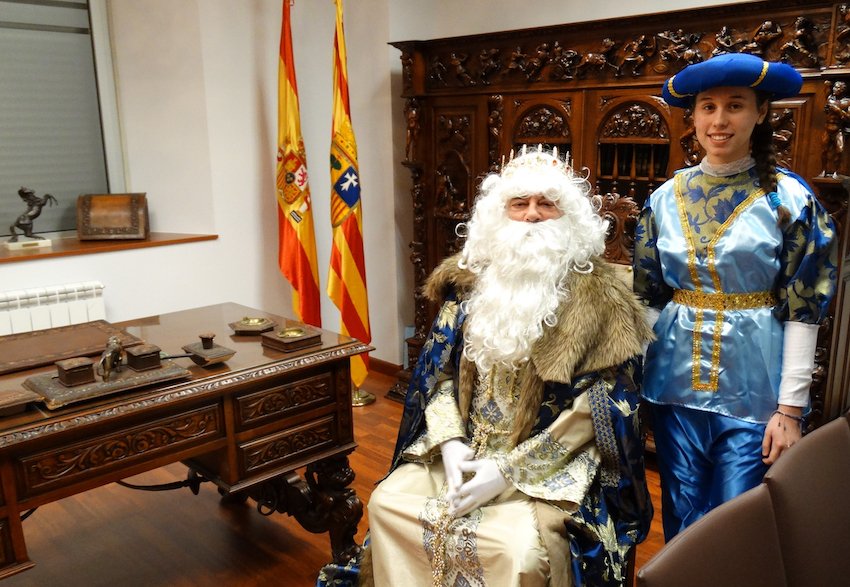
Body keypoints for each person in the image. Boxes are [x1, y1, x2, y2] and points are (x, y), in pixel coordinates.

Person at [353, 147, 654, 587]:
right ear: (499, 214)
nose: (531, 215)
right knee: (386, 504)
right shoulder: (466, 284)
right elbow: (438, 376)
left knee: (516, 551)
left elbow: (603, 408)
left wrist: (509, 472)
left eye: (545, 204)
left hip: (550, 464)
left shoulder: (601, 298)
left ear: (567, 217)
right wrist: (451, 441)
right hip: (463, 450)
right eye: (519, 203)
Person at [633, 52, 838, 541]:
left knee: (736, 522)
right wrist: (631, 378)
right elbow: (648, 300)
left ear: (761, 113)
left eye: (735, 105)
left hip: (755, 390)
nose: (719, 120)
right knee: (681, 514)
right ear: (694, 116)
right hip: (672, 384)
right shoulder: (664, 198)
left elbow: (804, 309)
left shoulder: (790, 201)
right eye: (707, 107)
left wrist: (789, 411)